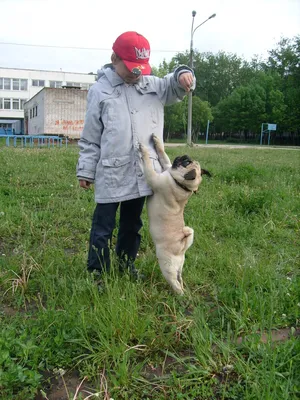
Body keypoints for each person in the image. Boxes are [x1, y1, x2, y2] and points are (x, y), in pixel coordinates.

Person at [76, 31, 195, 281]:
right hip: (111, 172)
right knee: (103, 227)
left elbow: (175, 85)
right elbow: (91, 136)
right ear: (114, 58)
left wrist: (184, 74)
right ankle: (97, 272)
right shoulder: (100, 90)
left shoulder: (153, 86)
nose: (136, 73)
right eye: (130, 67)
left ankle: (125, 265)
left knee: (132, 225)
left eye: (140, 68)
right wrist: (86, 169)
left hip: (143, 173)